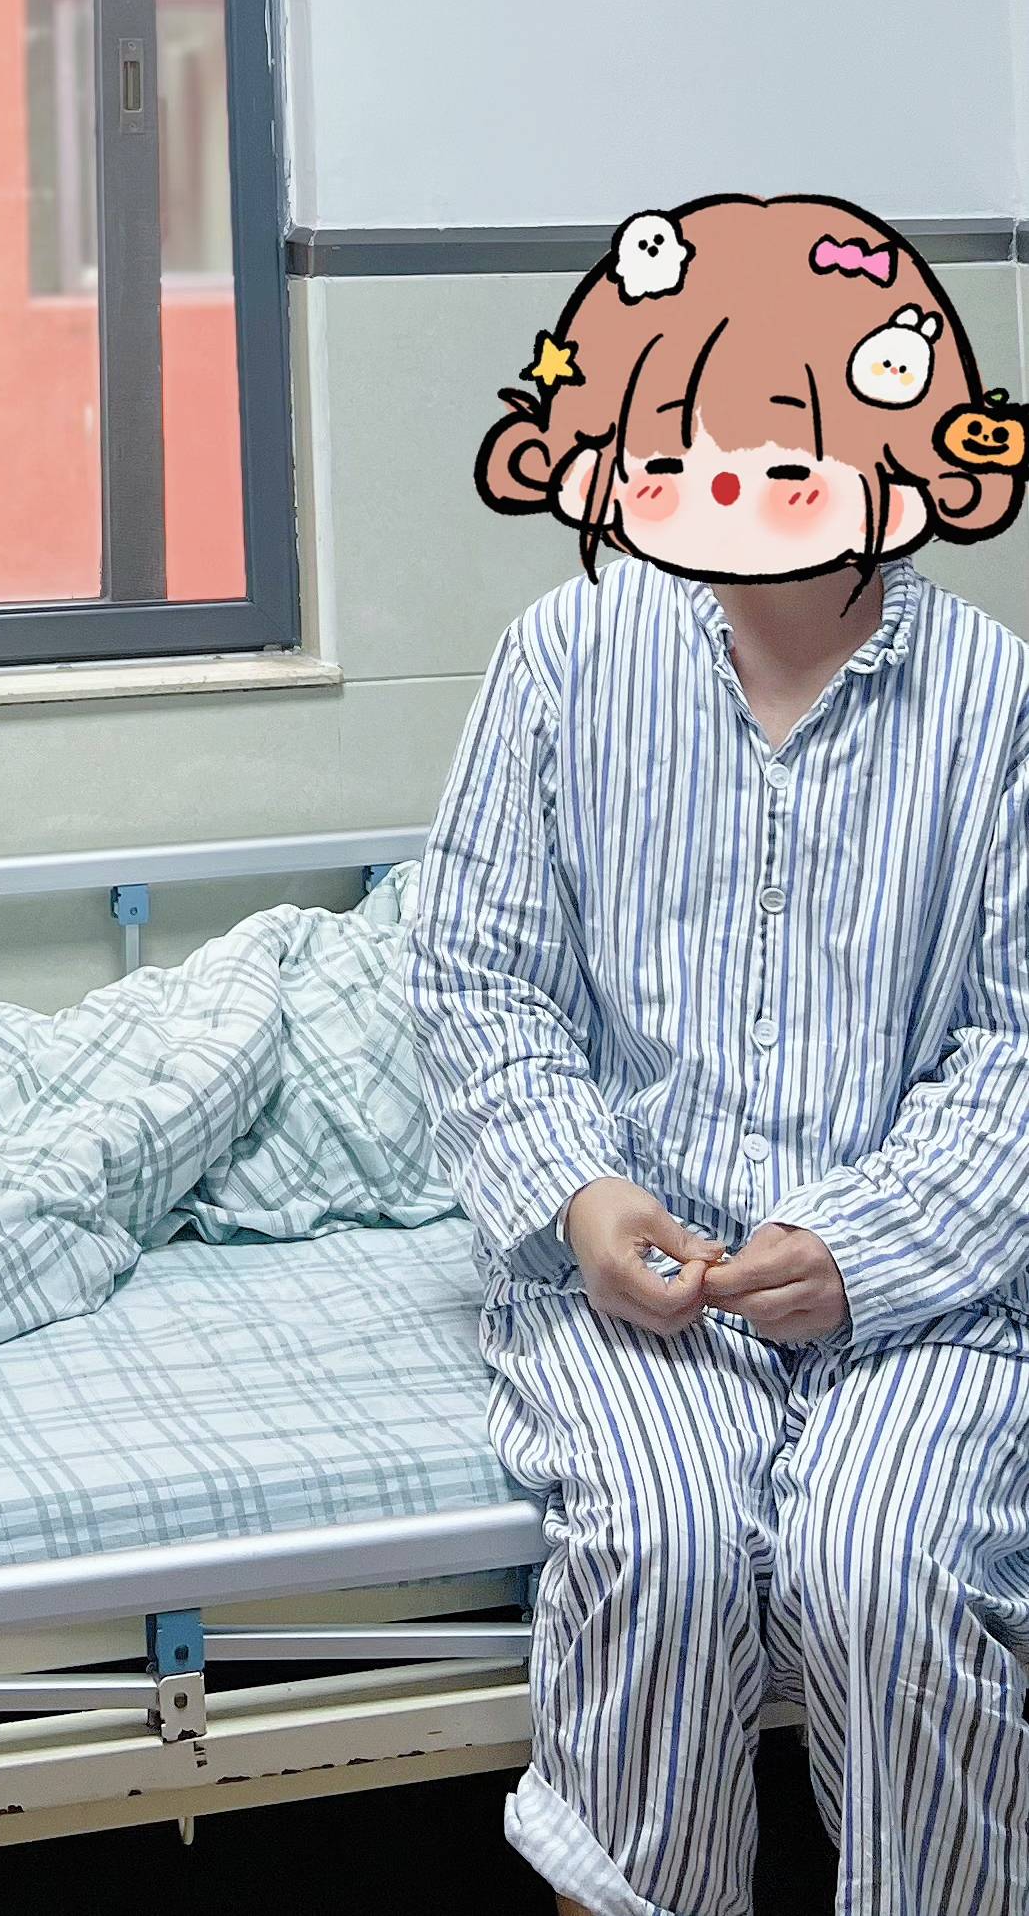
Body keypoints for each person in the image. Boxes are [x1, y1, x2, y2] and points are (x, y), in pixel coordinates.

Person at [405, 195, 1029, 1916]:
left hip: (920, 1288)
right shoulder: (563, 660)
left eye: (796, 456)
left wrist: (863, 1249)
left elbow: (1016, 1044)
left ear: (903, 460)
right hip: (639, 1274)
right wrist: (581, 1194)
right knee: (663, 1550)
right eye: (690, 454)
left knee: (886, 1564)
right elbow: (475, 972)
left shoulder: (996, 705)